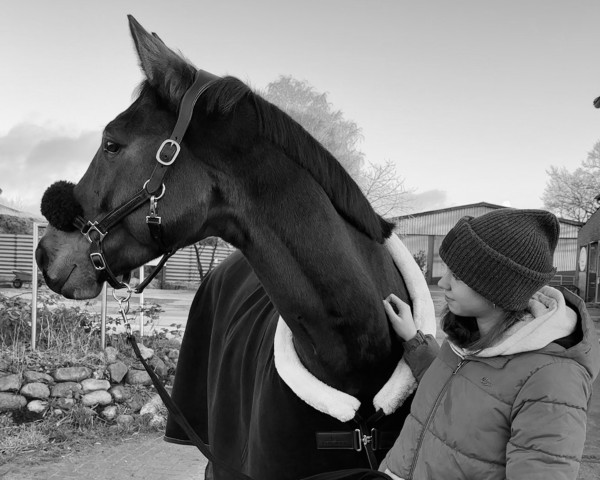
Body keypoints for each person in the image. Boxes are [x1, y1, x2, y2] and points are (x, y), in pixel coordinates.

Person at [379, 208, 600, 480]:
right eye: (446, 268)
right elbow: (456, 387)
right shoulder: (468, 336)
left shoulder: (553, 381)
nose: (442, 281)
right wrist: (413, 338)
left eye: (457, 276)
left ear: (497, 289)